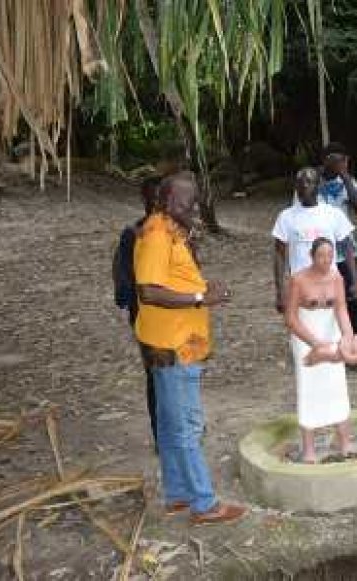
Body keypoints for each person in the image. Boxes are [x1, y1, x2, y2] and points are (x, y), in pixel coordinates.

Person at [134, 171, 245, 526]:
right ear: (166, 201)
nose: (193, 209)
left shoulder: (172, 230)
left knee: (170, 424)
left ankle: (178, 494)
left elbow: (172, 279)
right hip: (173, 346)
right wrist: (200, 297)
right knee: (186, 426)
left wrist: (202, 287)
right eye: (186, 203)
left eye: (195, 202)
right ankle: (204, 504)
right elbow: (148, 291)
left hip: (178, 343)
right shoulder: (156, 234)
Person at [285, 238, 357, 463]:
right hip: (305, 334)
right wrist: (314, 343)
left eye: (330, 256)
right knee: (309, 385)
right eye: (321, 256)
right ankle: (309, 449)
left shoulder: (336, 277)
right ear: (312, 256)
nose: (326, 260)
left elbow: (341, 309)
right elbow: (291, 318)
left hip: (331, 331)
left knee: (336, 383)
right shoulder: (298, 279)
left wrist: (348, 336)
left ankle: (344, 441)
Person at [113, 176, 161, 450]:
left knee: (179, 373)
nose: (157, 204)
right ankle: (160, 434)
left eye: (162, 198)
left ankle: (183, 425)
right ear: (143, 199)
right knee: (155, 374)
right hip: (146, 317)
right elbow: (126, 284)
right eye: (152, 198)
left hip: (176, 318)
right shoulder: (133, 235)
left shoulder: (176, 232)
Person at [273, 167, 357, 311]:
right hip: (300, 288)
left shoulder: (333, 214)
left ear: (318, 185)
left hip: (330, 287)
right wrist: (280, 291)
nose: (304, 185)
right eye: (300, 182)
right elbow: (279, 255)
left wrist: (355, 281)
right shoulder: (286, 217)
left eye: (309, 181)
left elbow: (348, 248)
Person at [319, 142, 357, 370]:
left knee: (354, 298)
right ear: (325, 161)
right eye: (336, 160)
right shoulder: (312, 183)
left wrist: (346, 177)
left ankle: (352, 345)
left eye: (343, 159)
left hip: (347, 250)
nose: (340, 163)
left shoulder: (348, 181)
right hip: (321, 253)